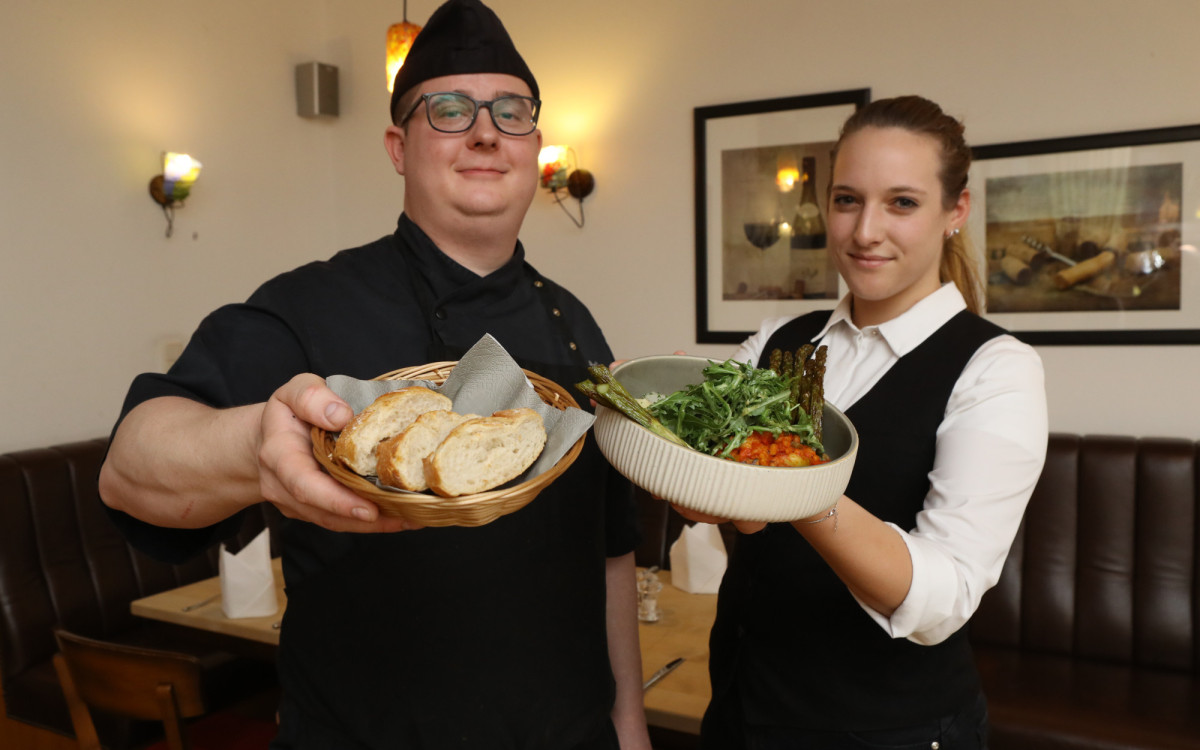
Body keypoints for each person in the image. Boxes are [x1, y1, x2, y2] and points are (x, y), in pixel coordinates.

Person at [97, 2, 652, 748]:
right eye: (450, 110)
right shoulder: (307, 307)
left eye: (511, 111)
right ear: (398, 146)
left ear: (535, 143)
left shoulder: (575, 324)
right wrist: (255, 449)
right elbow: (129, 469)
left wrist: (629, 729)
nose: (487, 131)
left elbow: (610, 555)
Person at [677, 96, 1048, 749]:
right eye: (847, 200)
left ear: (955, 211)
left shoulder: (994, 368)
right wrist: (666, 426)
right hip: (743, 709)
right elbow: (716, 494)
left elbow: (943, 597)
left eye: (901, 203)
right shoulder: (780, 341)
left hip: (890, 730)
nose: (865, 230)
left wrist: (790, 480)